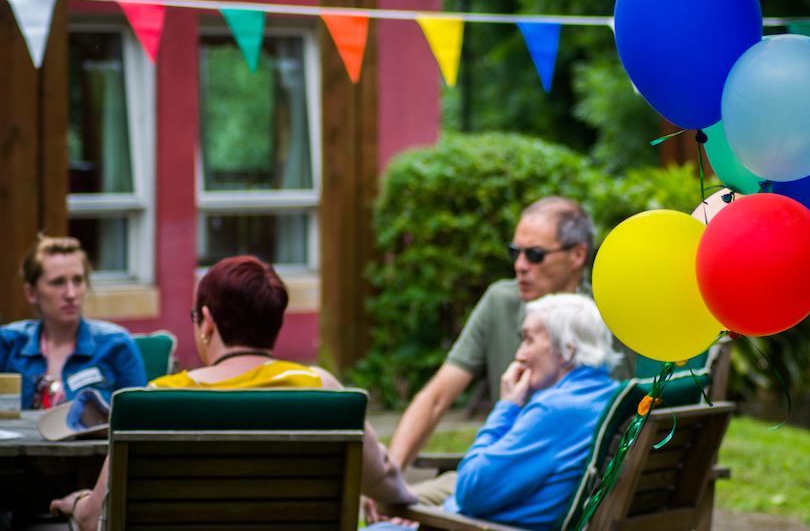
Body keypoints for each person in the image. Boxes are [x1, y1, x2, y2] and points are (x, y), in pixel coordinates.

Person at [50, 255, 416, 531]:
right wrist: (409, 499)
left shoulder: (156, 399)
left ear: (207, 322)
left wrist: (78, 502)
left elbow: (98, 516)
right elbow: (387, 482)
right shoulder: (320, 388)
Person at [387, 197, 633, 472]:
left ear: (577, 255)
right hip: (503, 474)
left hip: (571, 488)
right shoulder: (500, 301)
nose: (520, 265)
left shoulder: (607, 314)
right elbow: (436, 398)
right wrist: (391, 474)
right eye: (515, 252)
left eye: (535, 255)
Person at [371, 294, 622, 531]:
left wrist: (507, 407)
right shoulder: (610, 397)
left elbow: (472, 491)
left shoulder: (555, 410)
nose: (519, 354)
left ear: (567, 350)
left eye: (529, 339)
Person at [0, 236, 146, 410]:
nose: (71, 294)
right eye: (58, 282)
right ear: (31, 293)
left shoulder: (116, 344)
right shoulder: (8, 344)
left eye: (77, 281)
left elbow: (139, 418)